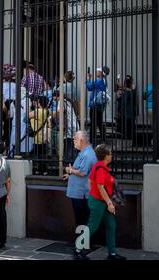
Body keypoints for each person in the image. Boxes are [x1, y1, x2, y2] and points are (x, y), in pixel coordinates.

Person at [74, 144, 126, 261]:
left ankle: (112, 254)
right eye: (110, 154)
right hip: (99, 202)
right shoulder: (101, 168)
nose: (111, 156)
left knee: (111, 225)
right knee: (92, 226)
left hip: (100, 200)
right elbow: (100, 187)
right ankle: (77, 250)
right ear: (105, 156)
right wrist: (109, 203)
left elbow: (90, 181)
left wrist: (94, 194)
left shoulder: (99, 167)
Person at [62, 131, 97, 259]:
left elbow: (82, 172)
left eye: (75, 140)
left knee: (82, 220)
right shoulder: (84, 153)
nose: (74, 142)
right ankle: (81, 244)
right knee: (81, 219)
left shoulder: (88, 154)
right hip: (78, 192)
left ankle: (81, 246)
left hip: (81, 193)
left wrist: (70, 170)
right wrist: (70, 174)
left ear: (82, 140)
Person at [29, 96, 50, 175]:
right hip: (44, 135)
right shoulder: (47, 111)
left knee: (38, 154)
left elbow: (26, 116)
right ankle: (44, 170)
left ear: (40, 103)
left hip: (37, 136)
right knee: (43, 154)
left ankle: (38, 170)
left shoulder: (38, 111)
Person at [87, 68, 107, 144]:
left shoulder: (99, 81)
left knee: (93, 123)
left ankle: (92, 140)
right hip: (99, 106)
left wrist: (88, 78)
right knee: (99, 122)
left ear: (101, 73)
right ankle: (103, 139)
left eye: (98, 71)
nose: (97, 72)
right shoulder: (104, 81)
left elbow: (89, 87)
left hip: (94, 105)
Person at [118, 76, 137, 142]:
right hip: (127, 112)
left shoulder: (131, 89)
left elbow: (124, 101)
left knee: (128, 127)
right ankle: (129, 140)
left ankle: (129, 140)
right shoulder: (128, 90)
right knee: (128, 127)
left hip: (127, 112)